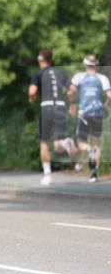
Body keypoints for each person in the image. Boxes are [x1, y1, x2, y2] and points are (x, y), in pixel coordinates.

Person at [28, 49, 71, 186]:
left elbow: (32, 91)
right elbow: (72, 89)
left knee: (44, 142)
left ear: (39, 59)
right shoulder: (60, 72)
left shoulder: (38, 73)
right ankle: (65, 143)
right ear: (51, 60)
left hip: (46, 107)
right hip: (60, 106)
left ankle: (47, 176)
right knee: (58, 142)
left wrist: (31, 97)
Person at [68, 54, 111, 183]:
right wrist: (105, 105)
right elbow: (110, 95)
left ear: (85, 64)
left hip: (84, 114)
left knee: (81, 142)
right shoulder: (102, 78)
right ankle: (94, 174)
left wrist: (72, 104)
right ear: (96, 64)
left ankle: (88, 150)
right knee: (97, 142)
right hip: (97, 113)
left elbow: (71, 92)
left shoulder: (79, 77)